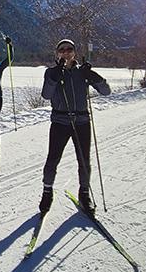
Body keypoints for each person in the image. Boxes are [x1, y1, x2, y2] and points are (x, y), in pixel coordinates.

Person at [39, 39, 110, 217]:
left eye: (69, 49)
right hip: (60, 122)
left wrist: (93, 76)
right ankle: (47, 192)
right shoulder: (51, 72)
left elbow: (106, 91)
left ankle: (84, 194)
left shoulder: (82, 72)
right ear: (57, 53)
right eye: (61, 49)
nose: (65, 52)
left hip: (81, 122)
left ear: (74, 52)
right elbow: (46, 95)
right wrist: (54, 77)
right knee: (52, 160)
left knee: (84, 161)